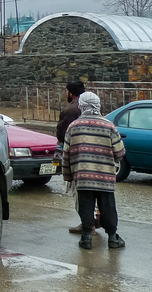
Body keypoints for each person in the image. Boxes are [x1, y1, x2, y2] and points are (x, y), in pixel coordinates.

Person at [62, 92, 126, 250]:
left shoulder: (73, 126)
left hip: (83, 177)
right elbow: (120, 152)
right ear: (98, 105)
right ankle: (112, 238)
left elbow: (66, 155)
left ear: (82, 106)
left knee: (86, 207)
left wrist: (68, 176)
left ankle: (86, 238)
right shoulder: (108, 126)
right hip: (105, 178)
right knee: (108, 207)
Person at [57, 81, 94, 234]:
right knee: (92, 191)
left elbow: (61, 134)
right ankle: (91, 222)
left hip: (77, 156)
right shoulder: (92, 106)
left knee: (78, 191)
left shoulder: (70, 109)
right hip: (94, 154)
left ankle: (88, 224)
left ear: (71, 93)